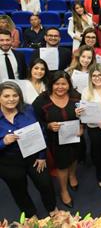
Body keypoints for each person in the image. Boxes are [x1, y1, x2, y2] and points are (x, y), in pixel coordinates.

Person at [0, 81, 56, 217]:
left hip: (33, 155)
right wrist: (3, 142)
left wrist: (42, 156)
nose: (11, 99)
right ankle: (31, 215)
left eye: (15, 95)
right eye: (6, 96)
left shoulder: (28, 109)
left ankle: (52, 209)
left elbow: (40, 132)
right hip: (8, 162)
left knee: (46, 184)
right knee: (19, 190)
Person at [32, 71, 83, 208]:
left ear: (69, 84)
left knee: (74, 157)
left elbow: (85, 115)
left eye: (64, 84)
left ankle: (72, 175)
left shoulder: (76, 97)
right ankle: (64, 190)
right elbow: (35, 123)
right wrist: (48, 125)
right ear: (51, 84)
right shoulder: (41, 101)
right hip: (55, 140)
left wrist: (82, 127)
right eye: (57, 84)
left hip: (75, 136)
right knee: (62, 164)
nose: (60, 87)